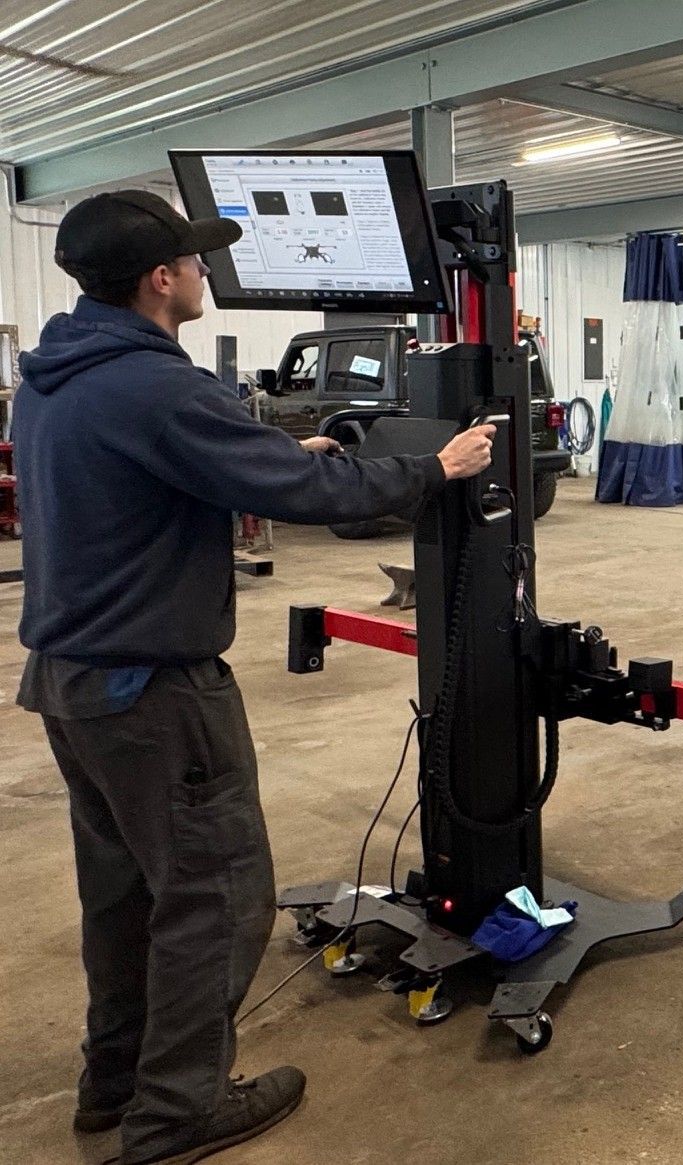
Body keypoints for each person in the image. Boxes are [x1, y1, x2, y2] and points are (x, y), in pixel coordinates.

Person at [11, 190, 496, 1165]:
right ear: (161, 280)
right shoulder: (157, 386)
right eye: (192, 261)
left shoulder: (56, 378)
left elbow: (167, 475)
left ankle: (113, 1083)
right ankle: (175, 1113)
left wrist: (273, 453)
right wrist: (436, 468)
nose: (202, 275)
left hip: (69, 685)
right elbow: (314, 495)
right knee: (217, 898)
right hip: (154, 693)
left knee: (125, 897)